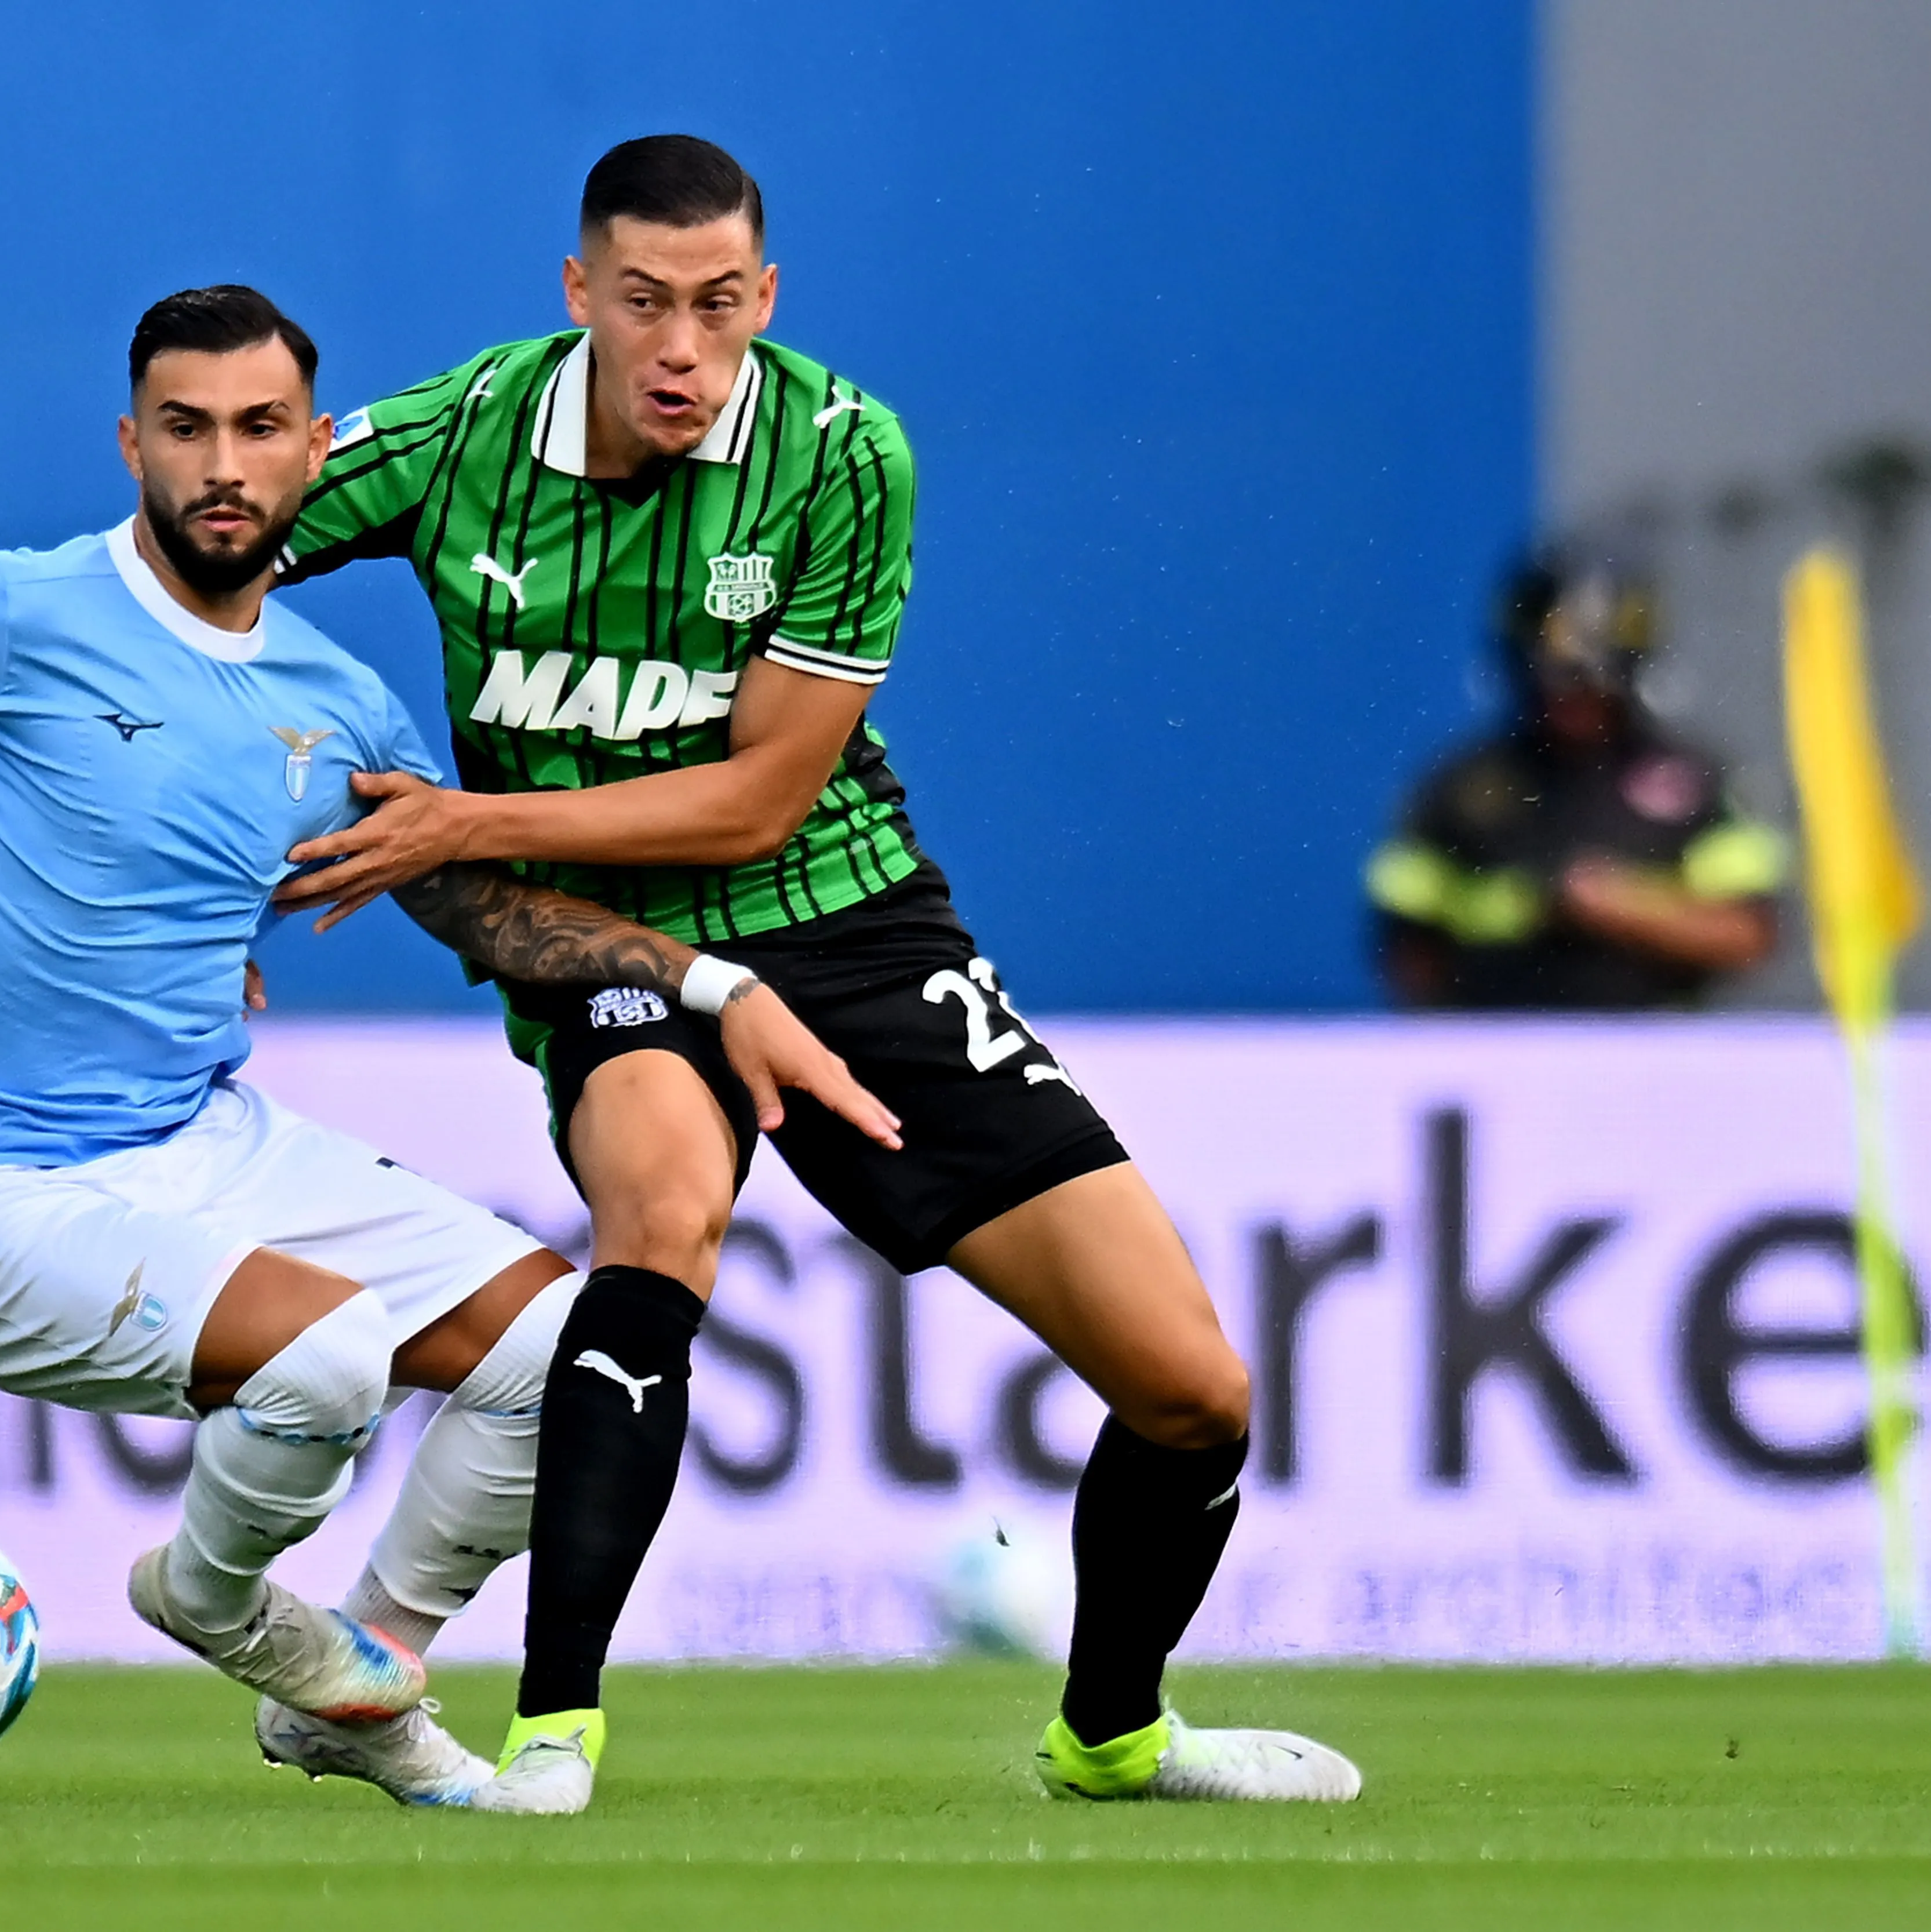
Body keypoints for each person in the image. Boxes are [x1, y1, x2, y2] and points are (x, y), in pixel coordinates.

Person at [0, 285, 894, 1809]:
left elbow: (484, 910)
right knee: (332, 1349)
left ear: (314, 450)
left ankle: (361, 1664)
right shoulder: (1, 610)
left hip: (203, 1141)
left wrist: (712, 987)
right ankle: (218, 1601)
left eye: (259, 427)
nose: (223, 464)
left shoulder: (332, 703)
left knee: (569, 1358)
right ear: (132, 445)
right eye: (186, 428)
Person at [271, 135, 1361, 1811]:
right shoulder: (464, 430)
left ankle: (1114, 1735)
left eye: (719, 306)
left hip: (847, 921)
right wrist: (185, 867)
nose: (682, 349)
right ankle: (553, 1729)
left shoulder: (843, 451)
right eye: (644, 304)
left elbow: (763, 796)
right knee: (659, 1217)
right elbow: (197, 564)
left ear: (766, 297)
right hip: (618, 943)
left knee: (1193, 1387)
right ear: (578, 294)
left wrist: (462, 821)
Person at [1369, 550, 1787, 1007]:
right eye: (1555, 680)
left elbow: (1749, 934)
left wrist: (1619, 906)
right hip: (1498, 1042)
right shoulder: (1461, 787)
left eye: (1592, 684)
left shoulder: (1694, 783)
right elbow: (1407, 942)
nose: (1572, 701)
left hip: (1653, 1044)